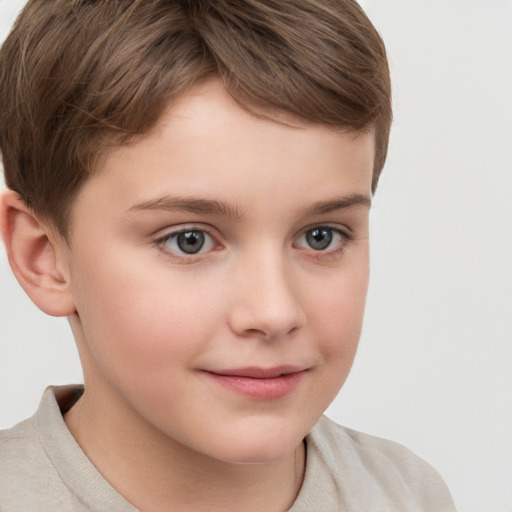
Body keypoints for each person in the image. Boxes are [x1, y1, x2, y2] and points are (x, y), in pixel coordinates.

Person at [0, 1, 457, 510]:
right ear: (43, 256)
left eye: (321, 236)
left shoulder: (407, 494)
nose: (274, 312)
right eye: (189, 240)